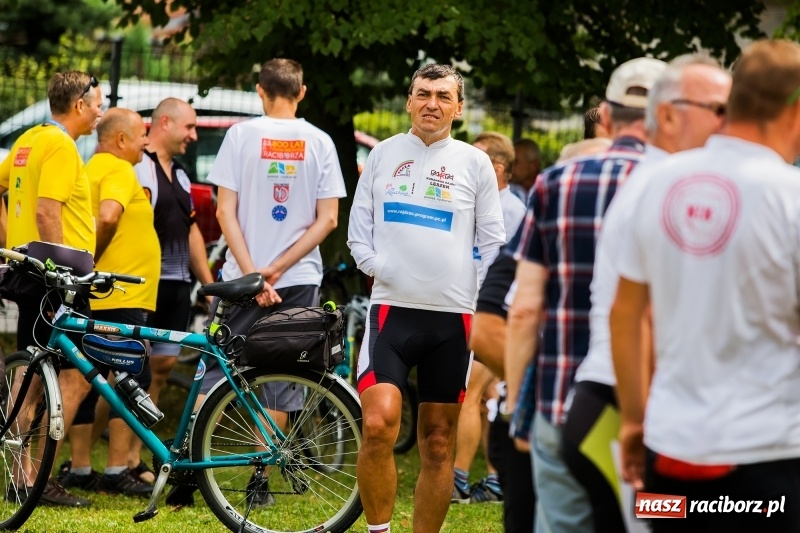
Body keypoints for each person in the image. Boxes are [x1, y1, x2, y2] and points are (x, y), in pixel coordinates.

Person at [611, 39, 800, 532]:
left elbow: (626, 314)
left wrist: (633, 420)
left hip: (667, 459)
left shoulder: (654, 184)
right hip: (767, 467)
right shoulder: (791, 198)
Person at [165, 58, 346, 507]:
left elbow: (225, 213)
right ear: (302, 92)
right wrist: (280, 269)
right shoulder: (321, 142)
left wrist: (254, 273)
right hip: (299, 279)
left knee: (216, 368)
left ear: (259, 91)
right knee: (282, 377)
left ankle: (188, 472)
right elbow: (328, 220)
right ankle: (260, 480)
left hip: (238, 279)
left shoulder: (240, 136)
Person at [563, 55, 731, 532]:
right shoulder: (670, 185)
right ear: (670, 114)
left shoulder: (667, 181)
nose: (729, 121)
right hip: (621, 411)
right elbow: (640, 315)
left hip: (618, 406)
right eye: (719, 109)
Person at [504, 56, 666, 533]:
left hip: (562, 400)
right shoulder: (683, 186)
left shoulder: (557, 182)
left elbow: (525, 308)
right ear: (666, 115)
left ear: (608, 118)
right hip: (657, 406)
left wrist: (517, 405)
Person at [348, 63, 505, 533]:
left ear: (458, 107)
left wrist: (483, 298)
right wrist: (384, 270)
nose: (431, 103)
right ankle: (378, 530)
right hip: (391, 313)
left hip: (452, 319)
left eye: (442, 95)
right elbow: (359, 233)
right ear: (408, 100)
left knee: (438, 442)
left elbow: (494, 242)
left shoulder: (474, 163)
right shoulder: (382, 155)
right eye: (422, 93)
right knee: (378, 424)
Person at [0, 71, 103, 507]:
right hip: (56, 280)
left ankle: (22, 475)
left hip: (32, 272)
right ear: (78, 105)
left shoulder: (29, 139)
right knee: (71, 376)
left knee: (30, 373)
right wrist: (61, 273)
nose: (101, 111)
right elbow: (46, 212)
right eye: (97, 103)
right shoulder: (60, 145)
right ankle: (35, 480)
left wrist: (11, 246)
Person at [57, 108, 160, 497]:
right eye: (140, 136)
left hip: (99, 294)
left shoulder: (89, 168)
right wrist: (91, 261)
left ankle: (82, 467)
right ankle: (117, 468)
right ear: (120, 140)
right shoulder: (119, 170)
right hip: (117, 292)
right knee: (133, 376)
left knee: (88, 376)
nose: (145, 143)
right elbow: (109, 216)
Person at [133, 97, 214, 480]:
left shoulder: (181, 174)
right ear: (165, 123)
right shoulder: (138, 167)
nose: (193, 135)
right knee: (131, 370)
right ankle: (123, 456)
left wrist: (210, 284)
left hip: (178, 283)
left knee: (162, 366)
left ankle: (142, 451)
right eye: (190, 127)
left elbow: (192, 230)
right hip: (143, 284)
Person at [452, 131, 525, 505]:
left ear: (496, 168)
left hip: (496, 316)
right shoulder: (489, 203)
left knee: (471, 395)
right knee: (491, 398)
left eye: (478, 160)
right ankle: (498, 480)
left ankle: (457, 482)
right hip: (489, 313)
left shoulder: (509, 210)